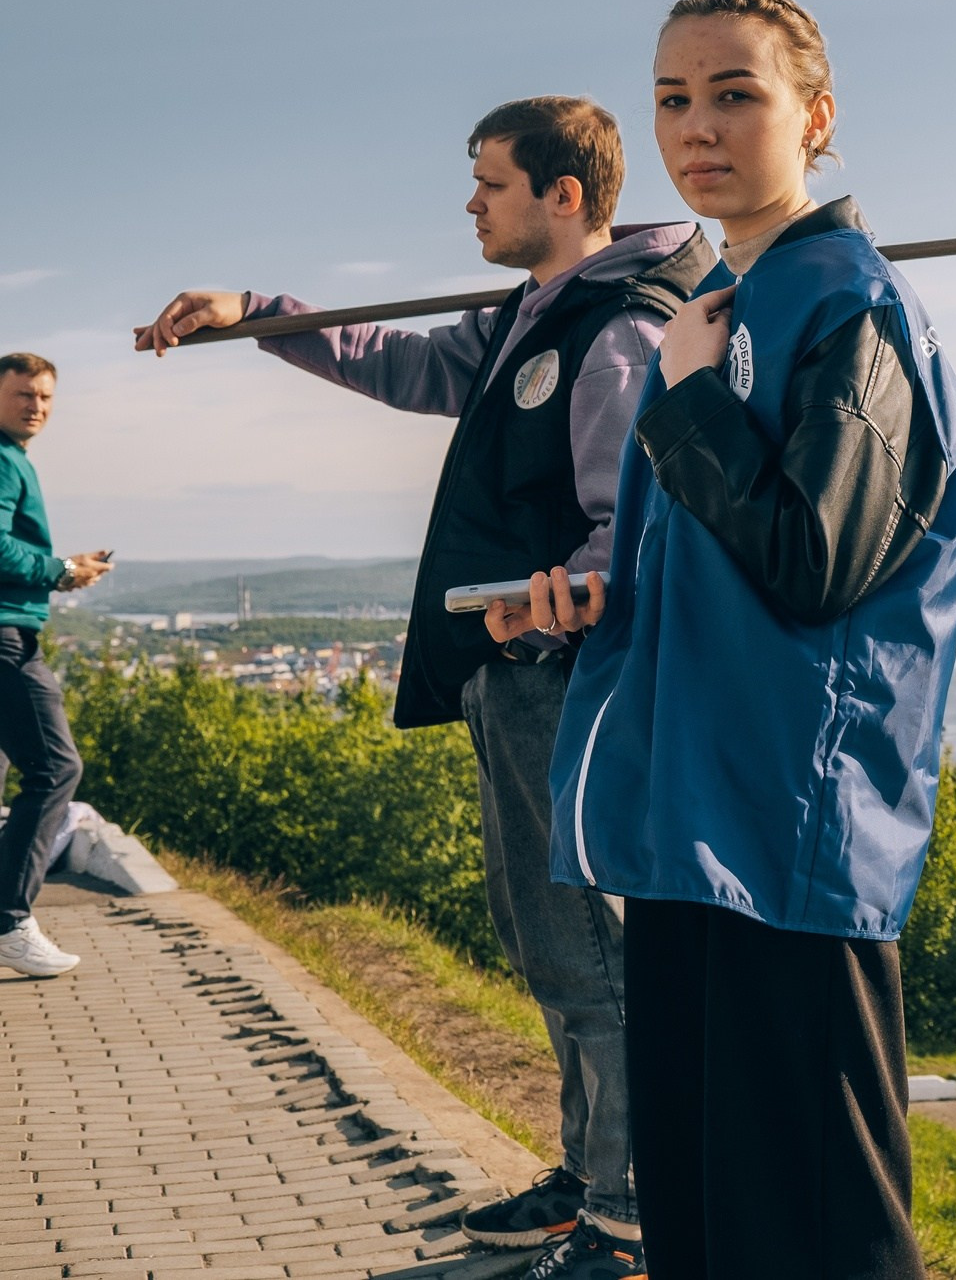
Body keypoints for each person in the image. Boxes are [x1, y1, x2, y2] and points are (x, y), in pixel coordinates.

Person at [138, 98, 713, 1277]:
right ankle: (589, 1174)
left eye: (489, 183)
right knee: (544, 934)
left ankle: (630, 1218)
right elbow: (401, 361)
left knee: (587, 947)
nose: (469, 203)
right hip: (516, 673)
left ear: (562, 194)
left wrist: (570, 596)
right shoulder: (530, 318)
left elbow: (638, 517)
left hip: (569, 679)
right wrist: (261, 314)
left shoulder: (614, 329)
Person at [490, 0, 956, 1278]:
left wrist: (693, 398)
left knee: (819, 1236)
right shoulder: (724, 303)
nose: (696, 127)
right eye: (670, 97)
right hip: (688, 829)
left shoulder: (847, 305)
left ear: (814, 117)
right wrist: (590, 603)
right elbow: (720, 565)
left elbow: (816, 559)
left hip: (789, 838)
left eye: (733, 93)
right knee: (707, 1222)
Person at [0, 353, 113, 979]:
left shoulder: (14, 459)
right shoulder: (1, 458)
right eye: (22, 394)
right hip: (5, 638)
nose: (35, 407)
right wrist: (61, 570)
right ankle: (10, 922)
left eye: (44, 397)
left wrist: (61, 573)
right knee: (54, 765)